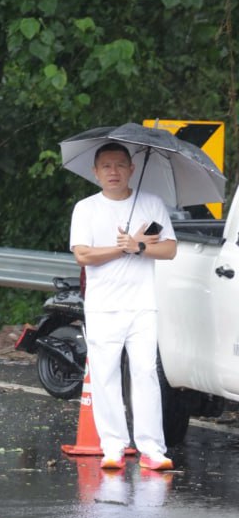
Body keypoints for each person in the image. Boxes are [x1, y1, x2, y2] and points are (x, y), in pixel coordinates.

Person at [70, 142, 177, 471]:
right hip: (102, 307)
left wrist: (139, 245)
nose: (113, 172)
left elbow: (169, 248)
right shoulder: (86, 208)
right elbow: (83, 254)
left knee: (145, 373)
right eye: (106, 166)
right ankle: (113, 446)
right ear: (96, 172)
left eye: (120, 165)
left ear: (132, 169)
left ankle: (152, 449)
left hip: (143, 304)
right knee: (105, 374)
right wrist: (121, 249)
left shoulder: (152, 205)